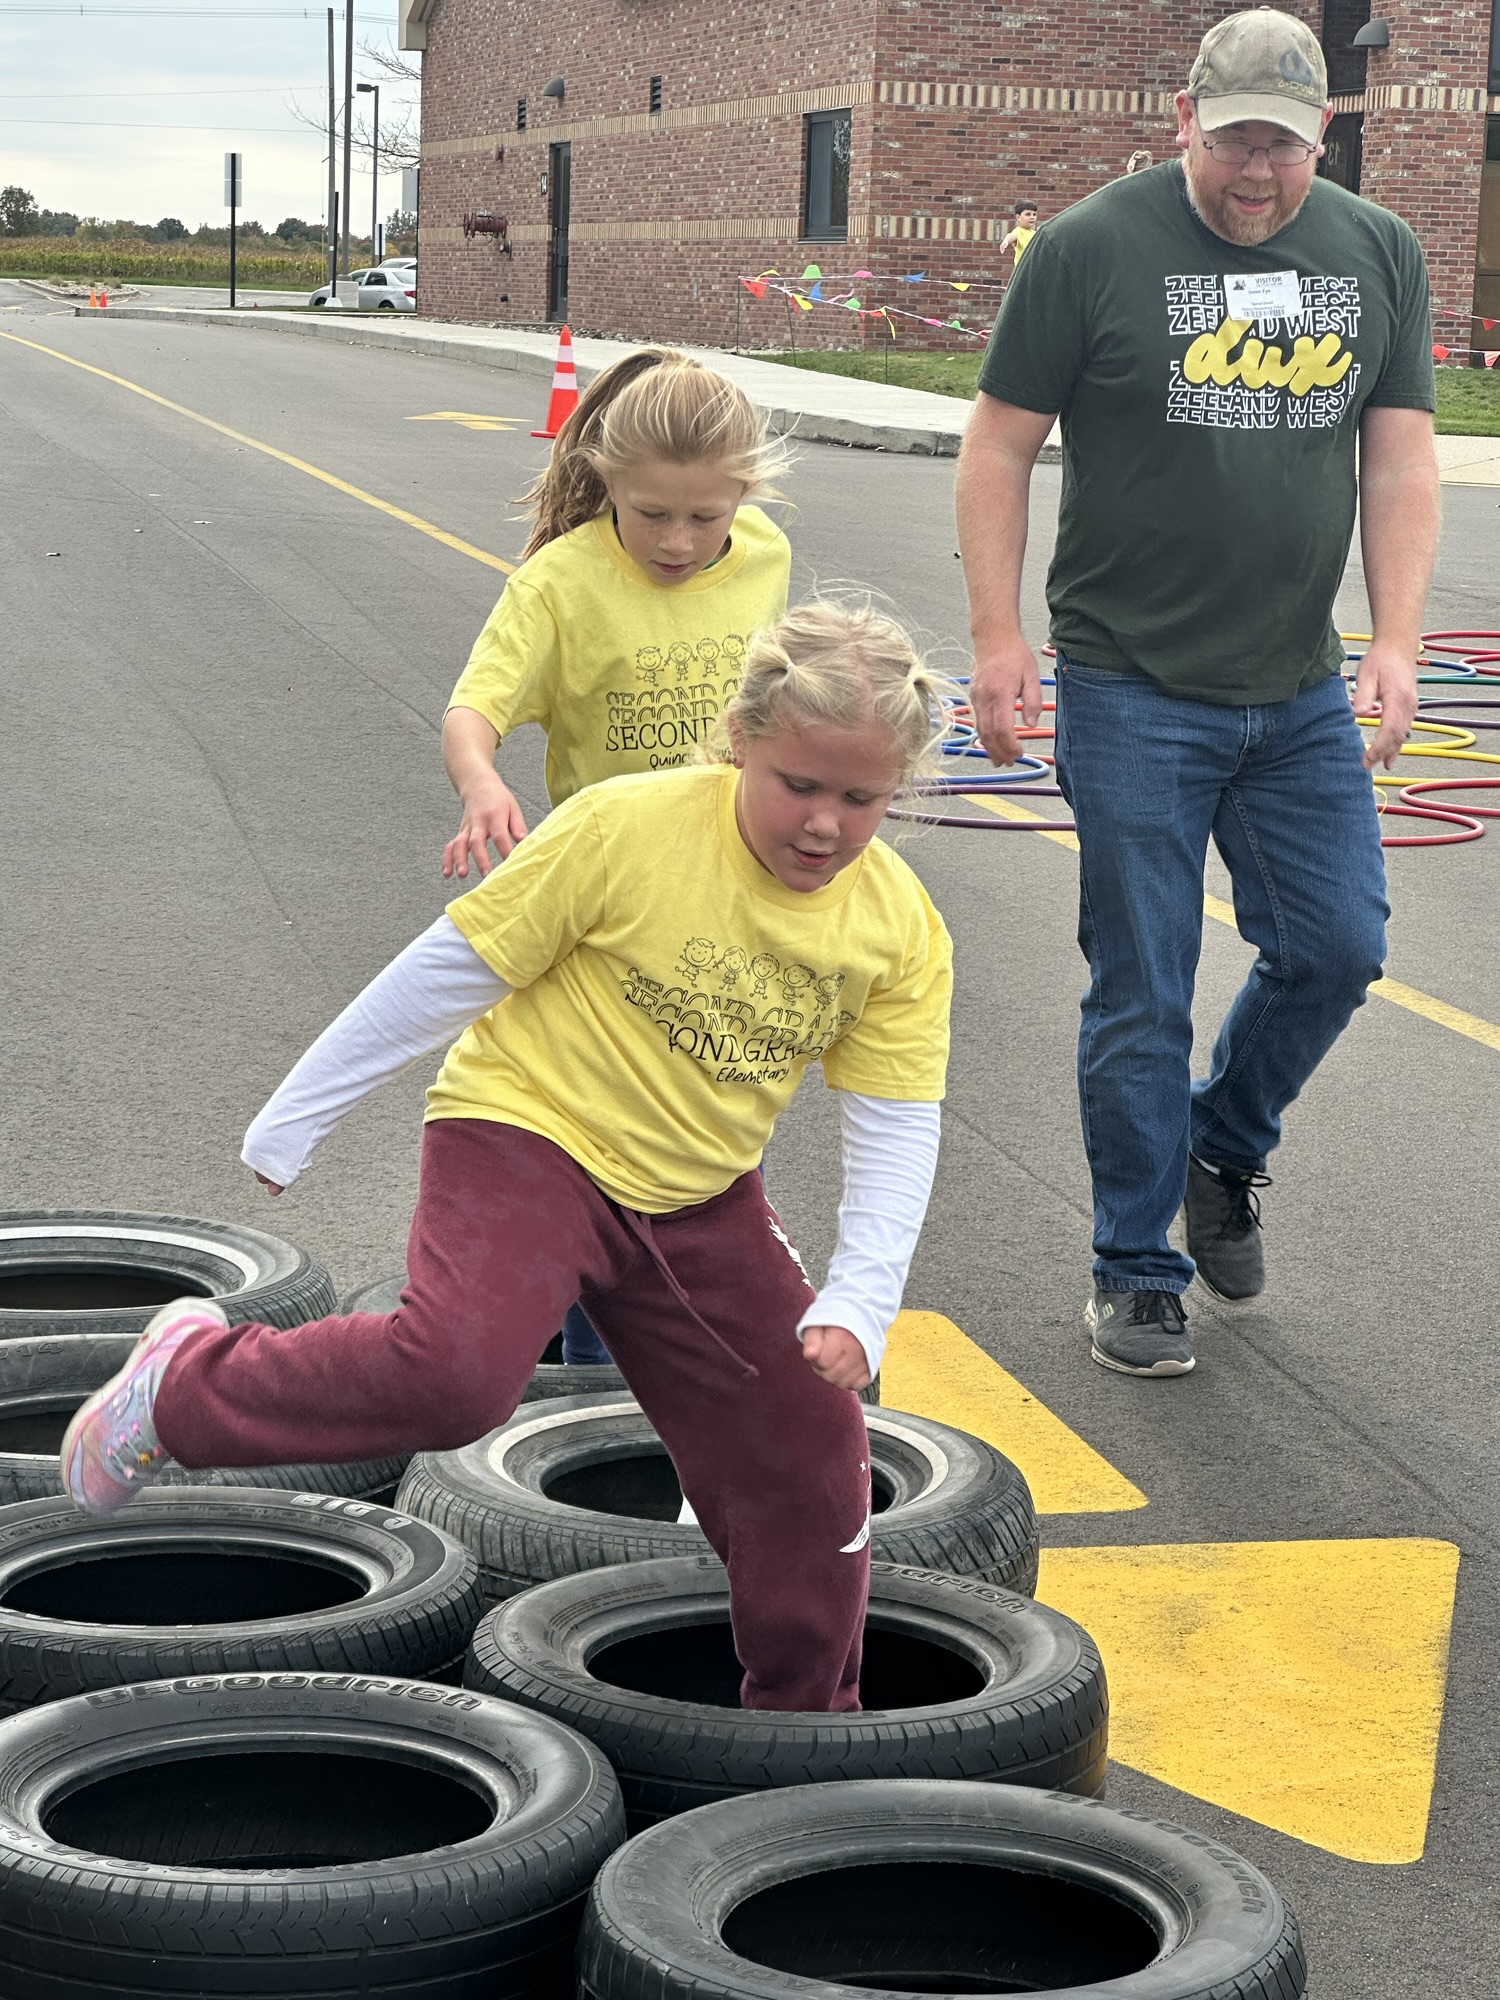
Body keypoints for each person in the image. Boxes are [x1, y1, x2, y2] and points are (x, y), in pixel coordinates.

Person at [62, 602, 956, 1714]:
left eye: (861, 799)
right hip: (528, 1131)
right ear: (740, 741)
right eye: (799, 784)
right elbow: (454, 966)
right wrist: (298, 1115)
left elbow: (895, 1124)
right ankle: (182, 1388)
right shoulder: (626, 828)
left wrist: (863, 1295)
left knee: (813, 1450)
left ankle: (805, 1727)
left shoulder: (897, 928)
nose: (824, 823)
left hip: (696, 1193)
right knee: (456, 1375)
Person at [955, 6, 1438, 1379]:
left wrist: (1396, 639)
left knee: (1338, 947)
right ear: (1184, 118)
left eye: (1283, 147)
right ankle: (1135, 1266)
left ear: (1323, 134)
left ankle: (1220, 1145)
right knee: (1144, 986)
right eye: (1233, 143)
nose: (1256, 174)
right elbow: (998, 446)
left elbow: (1400, 458)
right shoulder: (1088, 248)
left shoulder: (1377, 250)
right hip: (1130, 684)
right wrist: (998, 635)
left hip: (1296, 687)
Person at [442, 346, 793, 1364]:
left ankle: (624, 1344)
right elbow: (475, 707)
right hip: (606, 909)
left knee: (702, 1127)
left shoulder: (765, 555)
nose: (679, 541)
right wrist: (482, 781)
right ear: (606, 482)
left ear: (744, 494)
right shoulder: (562, 582)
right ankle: (594, 1378)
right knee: (610, 1139)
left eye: (705, 516)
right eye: (651, 514)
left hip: (729, 899)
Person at [999, 201, 1040, 273]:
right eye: (1028, 214)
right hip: (1023, 272)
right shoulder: (1019, 231)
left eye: (1034, 214)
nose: (1032, 217)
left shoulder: (1035, 234)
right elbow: (1011, 235)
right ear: (1018, 217)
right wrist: (1006, 241)